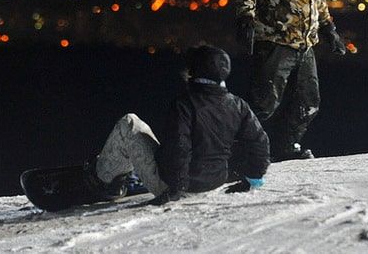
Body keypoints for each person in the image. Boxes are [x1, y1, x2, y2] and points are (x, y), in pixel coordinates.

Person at [86, 45, 271, 203]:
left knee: (129, 123)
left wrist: (175, 189)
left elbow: (180, 148)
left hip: (180, 187)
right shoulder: (238, 104)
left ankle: (103, 179)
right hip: (215, 181)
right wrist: (252, 178)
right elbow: (260, 141)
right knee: (145, 131)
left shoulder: (185, 104)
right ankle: (126, 172)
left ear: (193, 71)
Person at [236, 0, 347, 161]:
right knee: (264, 104)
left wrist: (329, 29)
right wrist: (245, 18)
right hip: (276, 42)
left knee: (308, 103)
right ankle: (243, 152)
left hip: (305, 44)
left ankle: (285, 147)